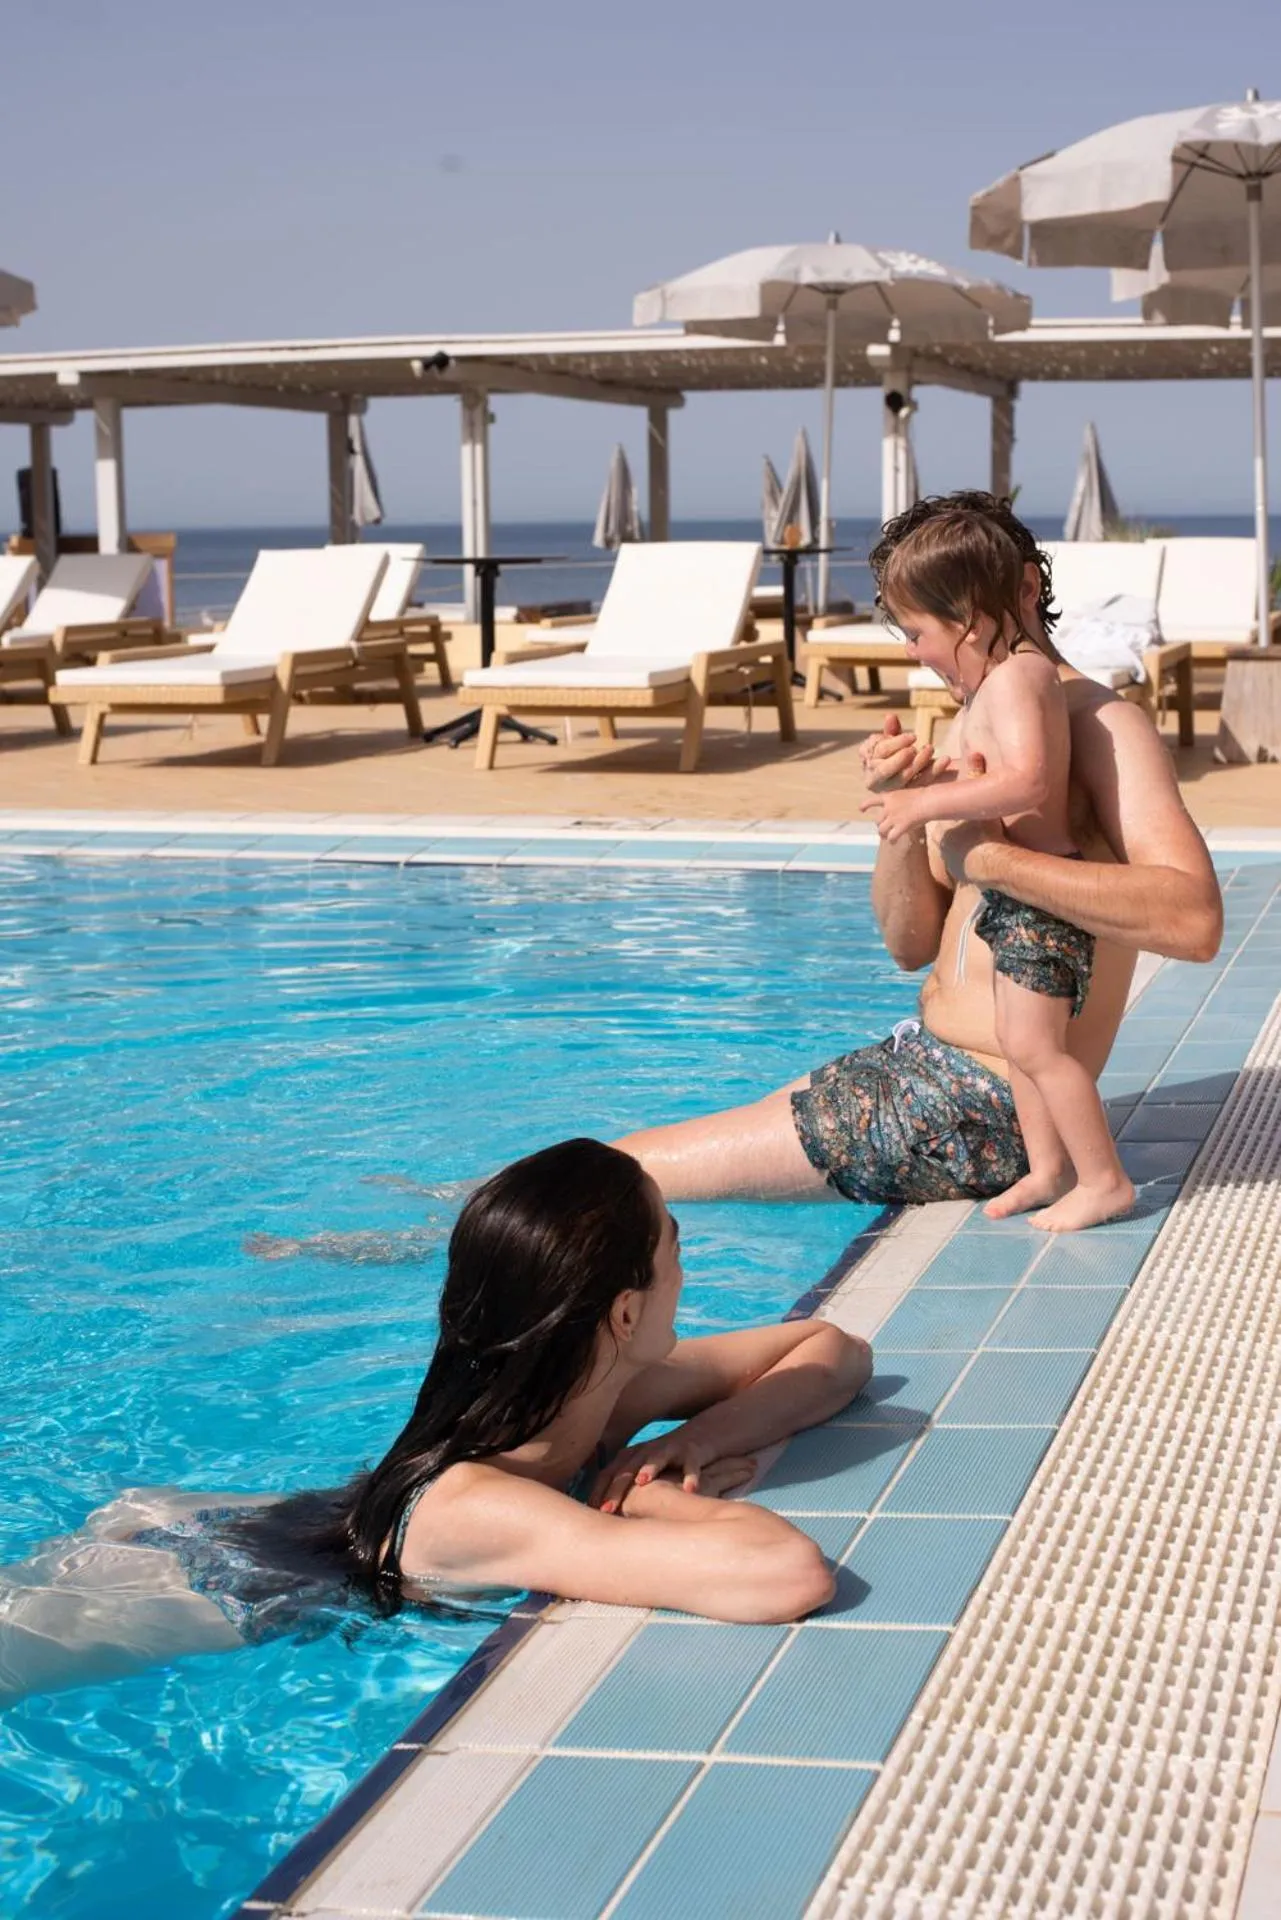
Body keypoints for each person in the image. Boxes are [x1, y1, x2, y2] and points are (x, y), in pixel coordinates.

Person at [0, 1140, 867, 1703]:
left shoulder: (595, 1398)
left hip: (264, 1525)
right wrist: (649, 1498)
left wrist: (692, 1441)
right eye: (676, 1239)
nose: (690, 1257)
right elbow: (784, 1576)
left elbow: (832, 1350)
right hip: (205, 1586)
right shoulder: (487, 1506)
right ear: (625, 1316)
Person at [614, 493, 1222, 1212]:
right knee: (617, 1166)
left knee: (608, 1180)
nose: (914, 651)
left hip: (976, 1101)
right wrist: (902, 812)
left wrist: (989, 860)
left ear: (1024, 589)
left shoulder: (1100, 725)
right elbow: (908, 945)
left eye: (926, 627)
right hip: (922, 1066)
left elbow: (1193, 922)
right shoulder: (980, 719)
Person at [859, 508, 1133, 1231]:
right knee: (1018, 1046)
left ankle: (1103, 1180)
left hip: (1041, 900)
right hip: (1017, 905)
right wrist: (928, 776)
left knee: (1038, 1048)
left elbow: (1027, 786)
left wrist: (924, 803)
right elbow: (999, 770)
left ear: (970, 623)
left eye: (917, 632)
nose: (915, 652)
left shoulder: (1018, 677)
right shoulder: (995, 688)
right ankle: (1046, 1172)